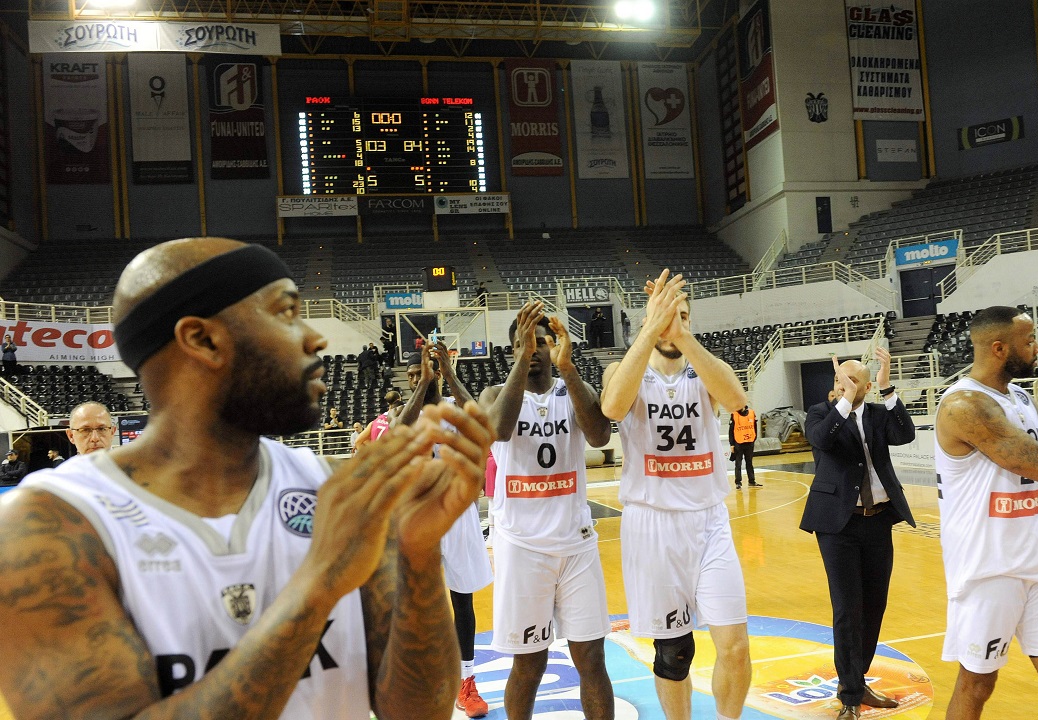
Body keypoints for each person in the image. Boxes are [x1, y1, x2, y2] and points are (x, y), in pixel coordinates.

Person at [0, 237, 495, 719]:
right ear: (202, 339)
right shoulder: (47, 529)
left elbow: (418, 710)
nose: (315, 338)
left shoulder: (329, 488)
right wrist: (316, 588)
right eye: (286, 312)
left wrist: (419, 555)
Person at [934, 305, 1038, 720]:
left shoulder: (1021, 397)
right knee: (977, 684)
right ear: (998, 348)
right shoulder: (964, 405)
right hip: (989, 567)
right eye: (1029, 341)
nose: (1037, 347)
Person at [600, 269, 752, 720]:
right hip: (653, 524)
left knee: (735, 646)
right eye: (665, 315)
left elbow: (737, 399)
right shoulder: (624, 370)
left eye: (682, 315)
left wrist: (681, 335)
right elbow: (612, 407)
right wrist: (652, 328)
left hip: (709, 520)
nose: (673, 322)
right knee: (674, 652)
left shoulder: (704, 369)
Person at [480, 301, 615, 720]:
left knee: (592, 658)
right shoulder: (494, 395)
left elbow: (600, 436)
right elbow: (498, 429)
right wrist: (521, 362)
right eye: (525, 343)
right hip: (522, 546)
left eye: (541, 342)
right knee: (530, 663)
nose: (535, 349)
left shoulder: (572, 389)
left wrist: (569, 369)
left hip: (576, 544)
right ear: (513, 350)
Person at [800, 347, 914, 719]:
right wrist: (845, 402)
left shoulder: (879, 413)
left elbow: (905, 434)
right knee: (848, 609)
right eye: (838, 380)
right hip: (838, 525)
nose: (842, 386)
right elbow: (822, 440)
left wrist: (887, 387)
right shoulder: (821, 414)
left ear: (866, 386)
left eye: (851, 382)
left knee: (874, 605)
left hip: (878, 520)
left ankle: (858, 680)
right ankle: (850, 695)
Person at [396, 343, 492, 718]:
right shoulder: (403, 413)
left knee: (462, 600)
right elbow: (400, 432)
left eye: (421, 373)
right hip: (417, 515)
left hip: (457, 512)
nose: (416, 379)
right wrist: (423, 383)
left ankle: (466, 682)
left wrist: (448, 373)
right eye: (411, 376)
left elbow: (482, 419)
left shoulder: (454, 408)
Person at [728, 405, 760, 489]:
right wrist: (732, 444)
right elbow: (731, 431)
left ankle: (752, 481)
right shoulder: (734, 415)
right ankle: (738, 482)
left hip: (749, 442)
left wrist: (754, 438)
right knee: (738, 464)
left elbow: (755, 427)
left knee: (749, 462)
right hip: (738, 443)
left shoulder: (752, 413)